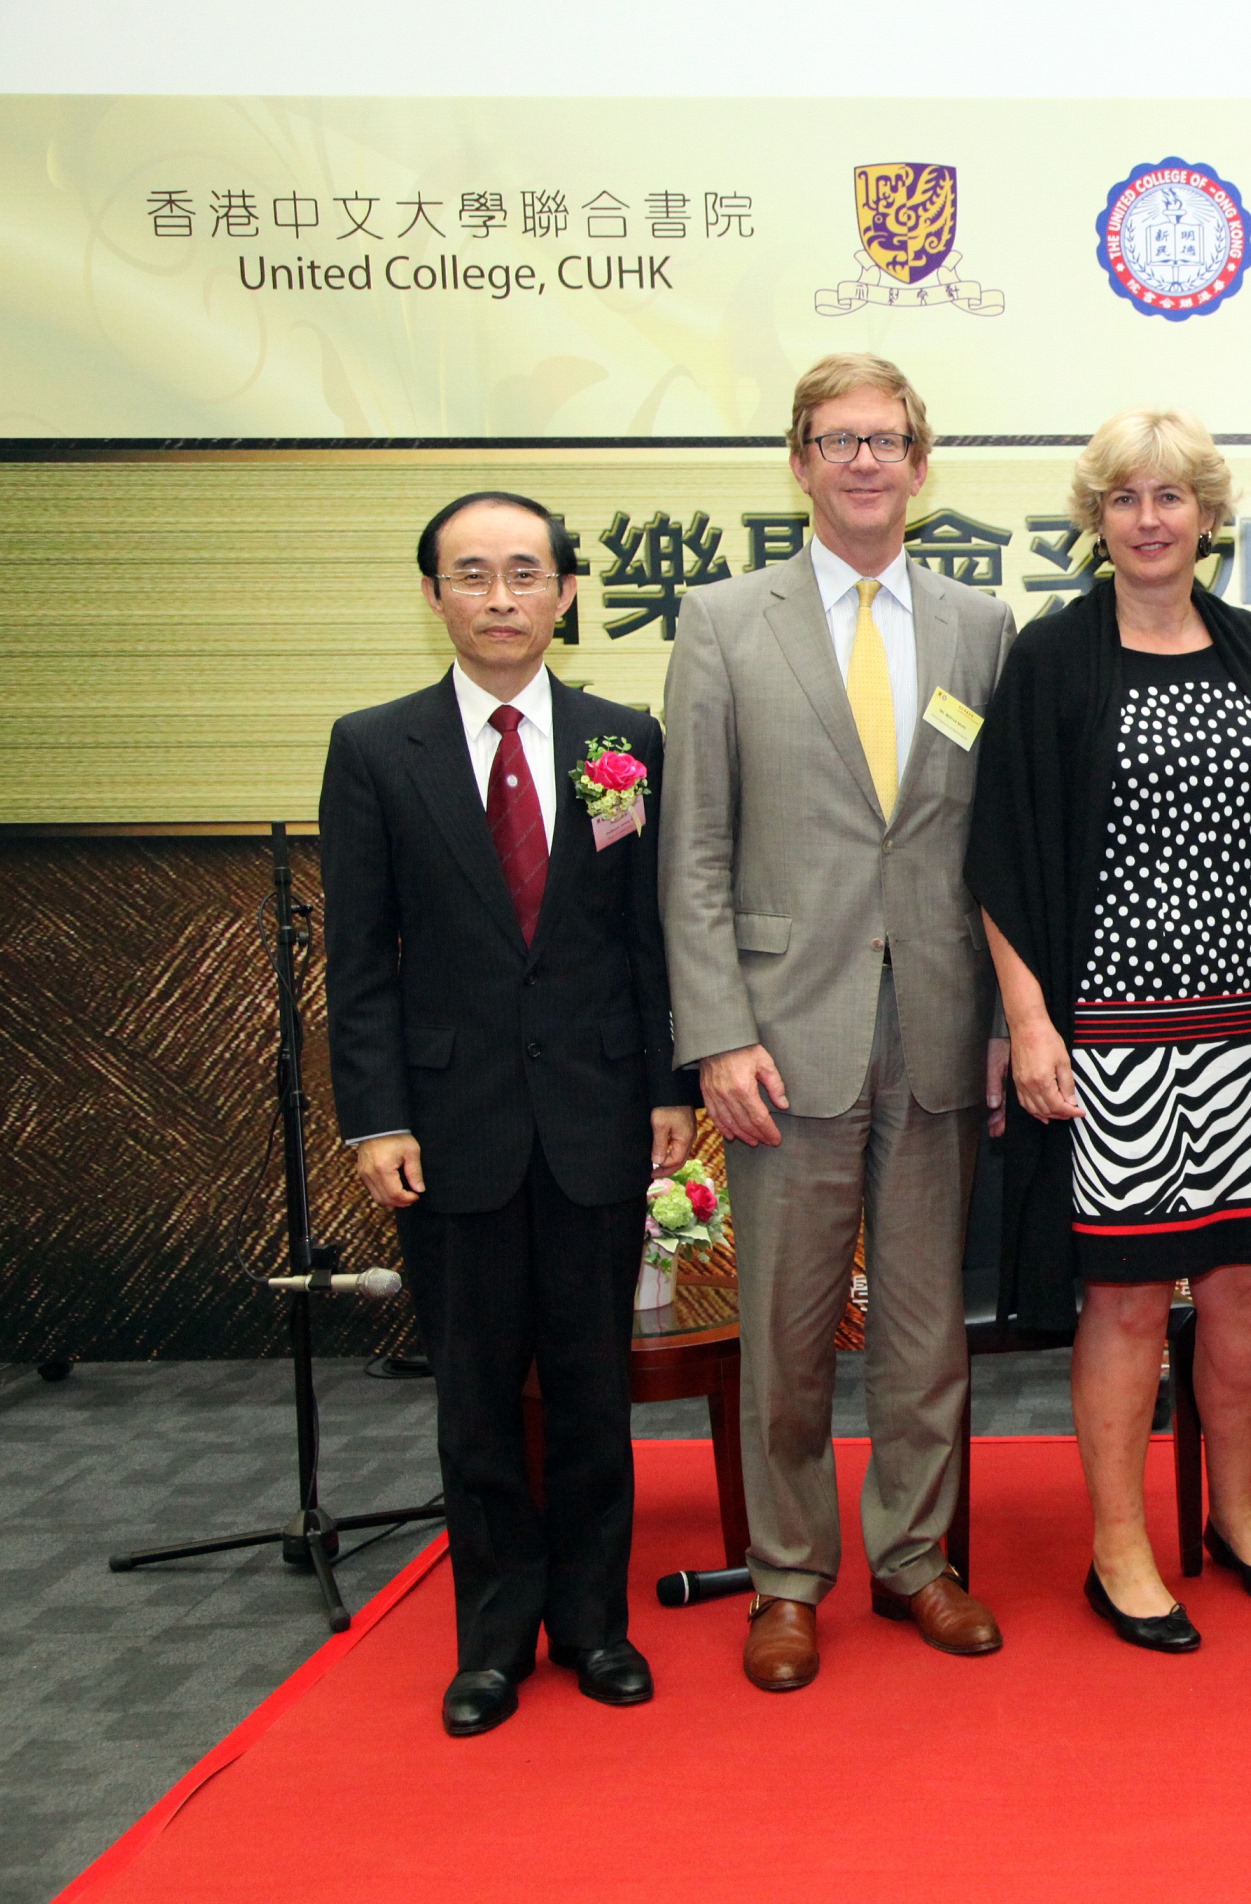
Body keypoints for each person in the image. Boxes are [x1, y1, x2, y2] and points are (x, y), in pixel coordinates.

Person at [661, 353, 1017, 1691]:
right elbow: (691, 848)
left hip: (935, 1021)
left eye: (887, 440)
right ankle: (790, 1577)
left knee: (927, 1332)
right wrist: (717, 1033)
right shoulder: (722, 623)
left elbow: (992, 848)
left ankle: (918, 1561)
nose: (864, 463)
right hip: (780, 1037)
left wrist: (997, 1023)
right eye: (837, 440)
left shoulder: (981, 627)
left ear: (922, 463)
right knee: (789, 1336)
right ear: (800, 462)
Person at [321, 490, 692, 1736]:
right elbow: (362, 957)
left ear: (566, 593)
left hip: (596, 1113)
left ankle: (593, 1623)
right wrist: (375, 1115)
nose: (499, 596)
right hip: (451, 1123)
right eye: (470, 574)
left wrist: (667, 1085)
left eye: (524, 572)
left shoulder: (619, 741)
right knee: (477, 1397)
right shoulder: (377, 748)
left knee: (592, 1386)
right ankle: (492, 1641)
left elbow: (644, 933)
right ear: (431, 595)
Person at [968, 409, 1251, 1654]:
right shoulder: (1058, 657)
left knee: (1247, 1289)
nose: (1151, 518)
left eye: (1173, 496)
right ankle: (1119, 1543)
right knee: (1122, 1300)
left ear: (1209, 516)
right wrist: (1028, 1020)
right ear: (1097, 519)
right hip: (1109, 1034)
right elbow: (1001, 848)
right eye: (1126, 497)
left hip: (1243, 1029)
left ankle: (1235, 1513)